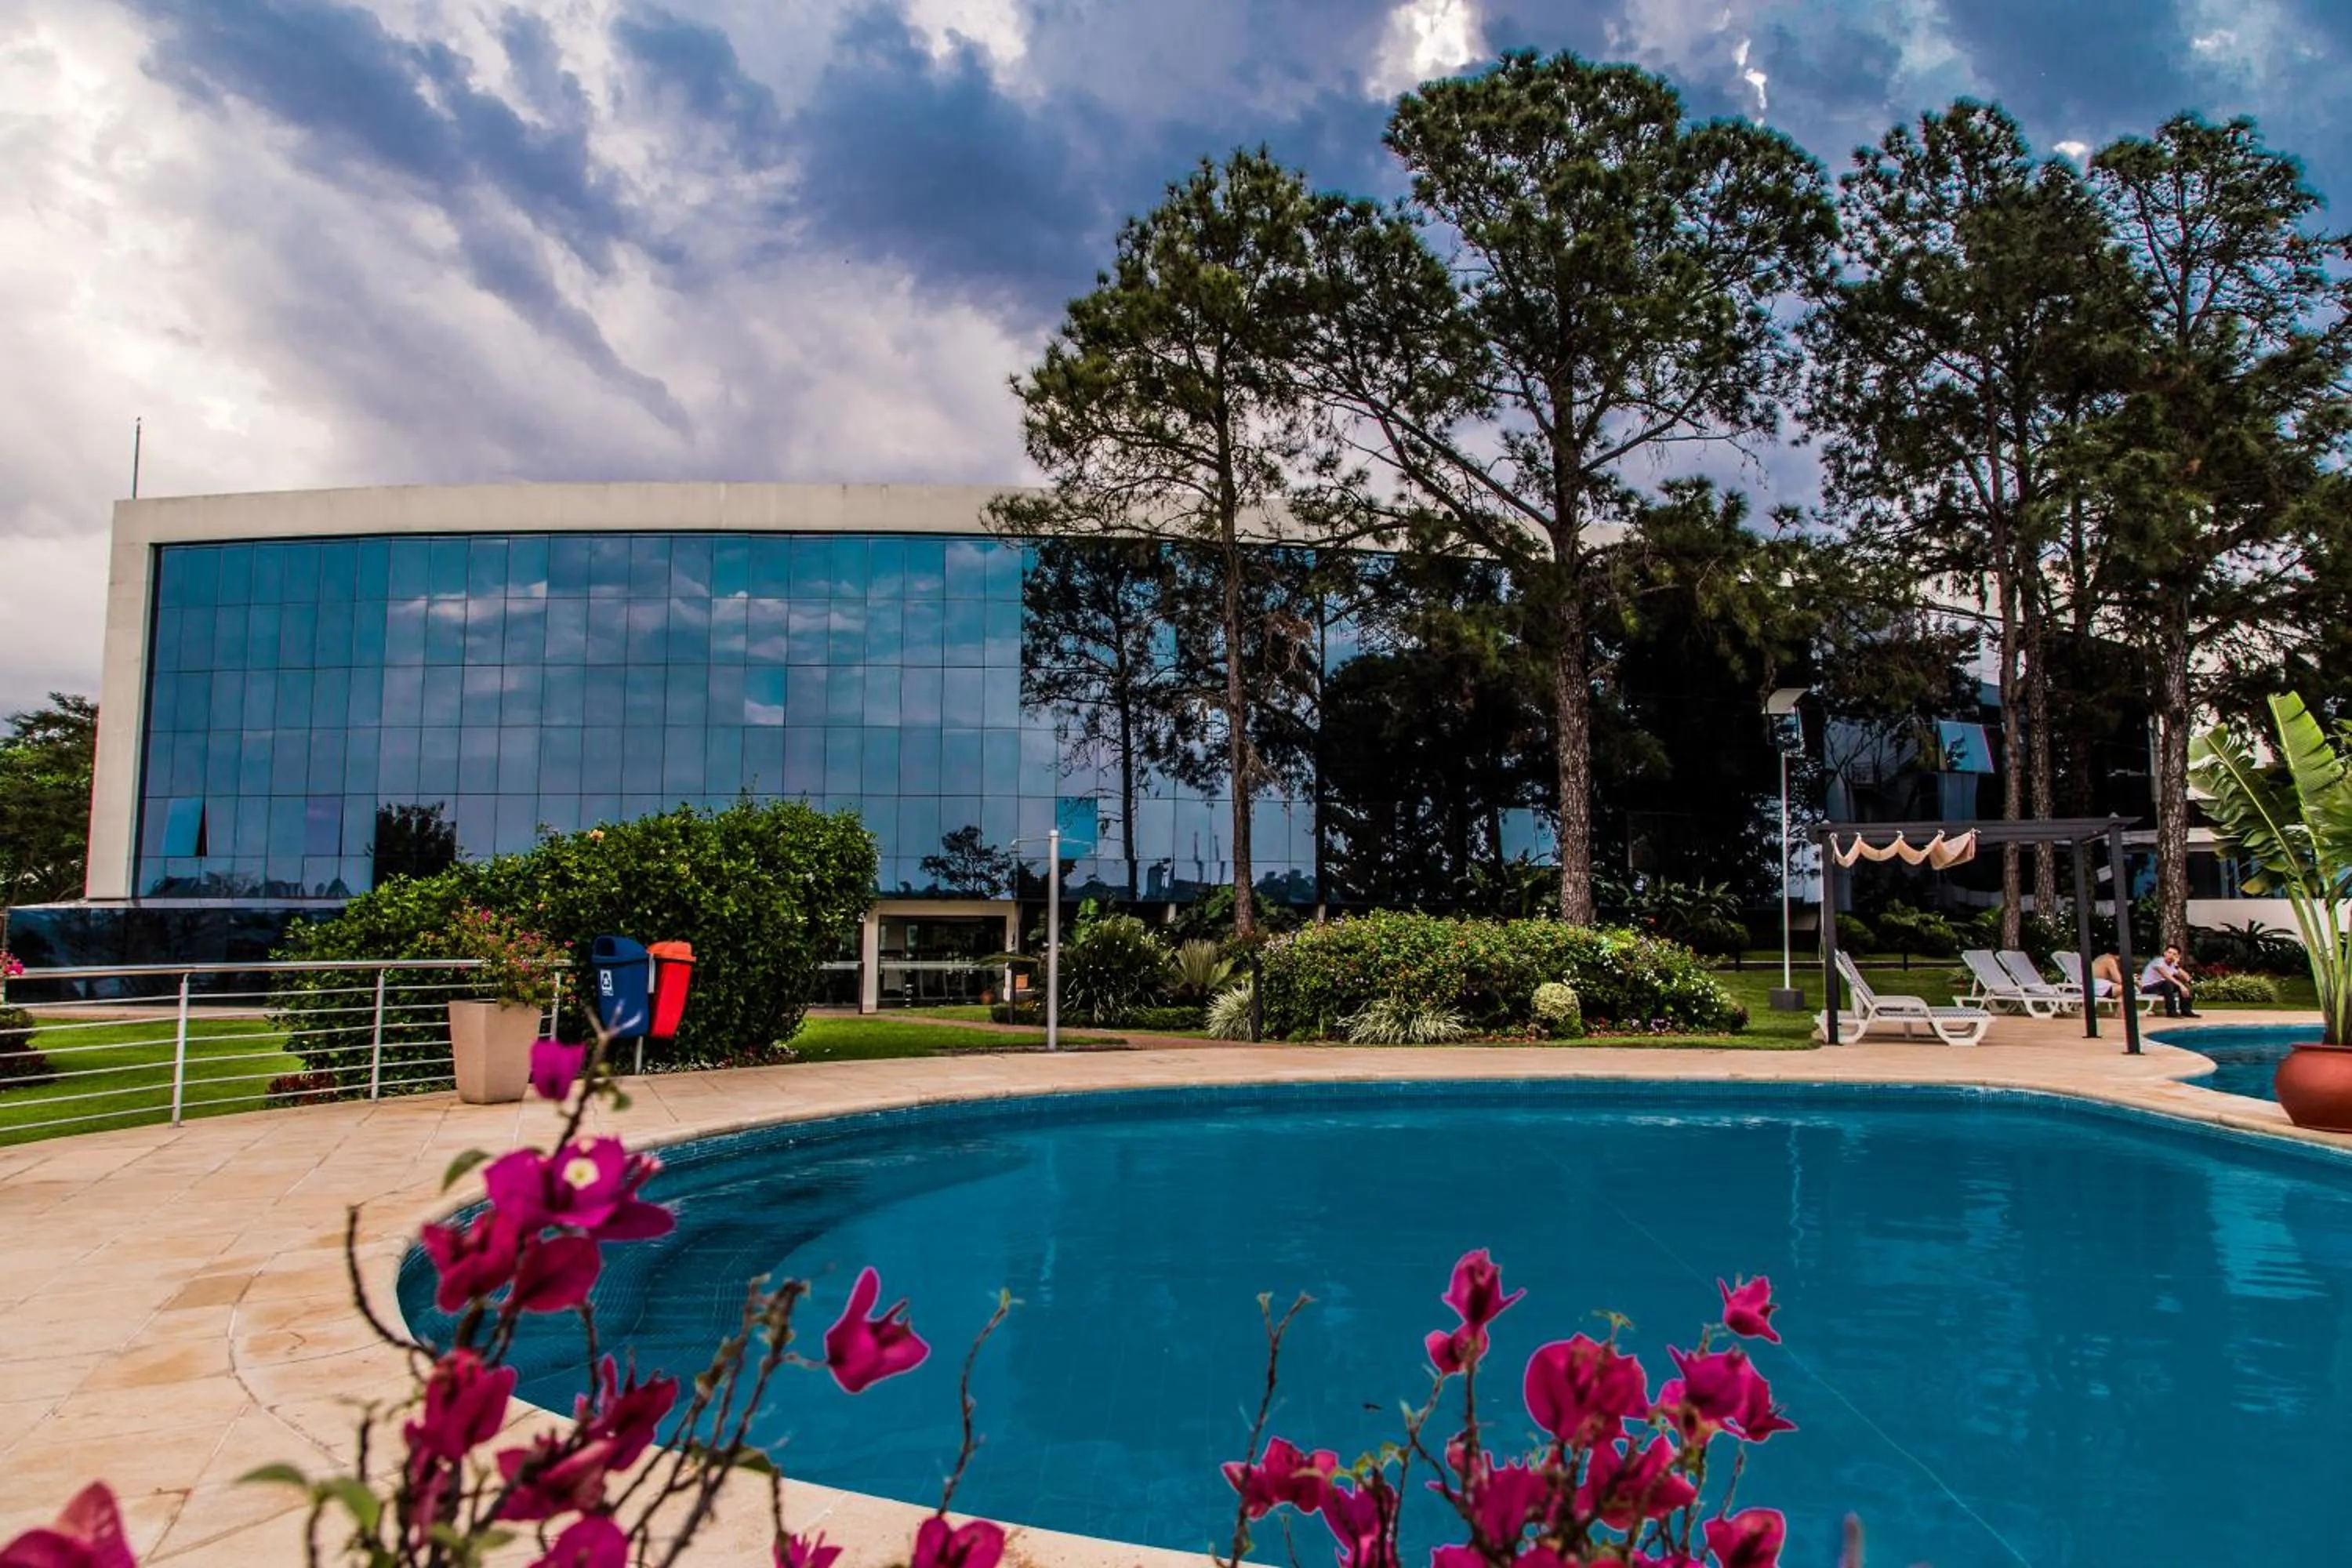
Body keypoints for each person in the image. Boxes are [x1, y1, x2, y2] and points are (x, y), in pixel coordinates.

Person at [2140, 944, 2200, 1018]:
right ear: (2165, 953)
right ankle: (2171, 1012)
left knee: (2184, 984)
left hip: (2163, 988)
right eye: (2169, 953)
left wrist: (2176, 966)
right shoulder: (2157, 962)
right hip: (2147, 988)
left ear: (2178, 956)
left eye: (2174, 954)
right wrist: (2181, 986)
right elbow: (2166, 976)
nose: (2171, 955)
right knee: (2167, 983)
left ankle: (2186, 1011)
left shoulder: (2173, 965)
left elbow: (2187, 978)